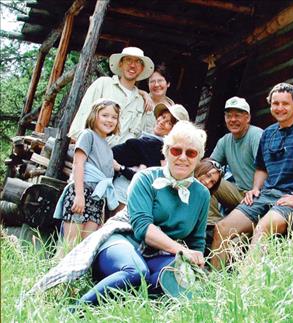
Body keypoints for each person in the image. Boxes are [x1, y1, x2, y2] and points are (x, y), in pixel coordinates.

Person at [78, 120, 210, 305]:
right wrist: (181, 250)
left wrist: (195, 266)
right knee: (136, 273)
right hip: (125, 240)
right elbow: (142, 228)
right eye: (176, 150)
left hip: (161, 253)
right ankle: (75, 310)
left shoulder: (202, 194)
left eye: (191, 153)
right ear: (166, 151)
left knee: (175, 281)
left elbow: (197, 240)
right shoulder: (146, 178)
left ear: (198, 158)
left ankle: (128, 302)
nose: (183, 157)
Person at [210, 83, 293, 269]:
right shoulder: (268, 133)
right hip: (266, 195)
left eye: (285, 104)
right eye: (275, 103)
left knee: (263, 228)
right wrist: (256, 188)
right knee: (223, 228)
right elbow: (261, 168)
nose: (280, 108)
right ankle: (213, 283)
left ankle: (245, 288)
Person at [53, 98, 121, 247]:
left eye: (114, 117)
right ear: (94, 116)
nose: (110, 120)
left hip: (97, 198)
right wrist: (79, 195)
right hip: (82, 191)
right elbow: (78, 164)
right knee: (69, 245)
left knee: (84, 248)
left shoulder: (109, 148)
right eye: (105, 115)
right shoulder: (88, 135)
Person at [68, 47, 154, 146]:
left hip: (119, 158)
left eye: (138, 62)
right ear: (120, 64)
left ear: (142, 68)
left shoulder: (142, 101)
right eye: (128, 60)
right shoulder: (103, 84)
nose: (132, 65)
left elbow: (142, 136)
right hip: (92, 149)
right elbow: (83, 113)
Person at [111, 103, 190, 211]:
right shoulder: (149, 140)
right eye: (163, 117)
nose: (162, 122)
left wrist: (120, 167)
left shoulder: (158, 147)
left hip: (125, 193)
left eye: (169, 123)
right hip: (119, 191)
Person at [209, 96, 263, 224]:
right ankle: (213, 225)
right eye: (229, 116)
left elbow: (264, 167)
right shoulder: (225, 141)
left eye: (237, 115)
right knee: (206, 180)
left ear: (247, 118)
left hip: (259, 195)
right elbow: (210, 165)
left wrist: (256, 189)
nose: (232, 120)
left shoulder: (256, 135)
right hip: (240, 194)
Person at [140, 63, 176, 134]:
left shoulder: (173, 109)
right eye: (152, 81)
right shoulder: (140, 100)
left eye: (160, 81)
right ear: (148, 84)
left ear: (168, 83)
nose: (156, 84)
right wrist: (143, 93)